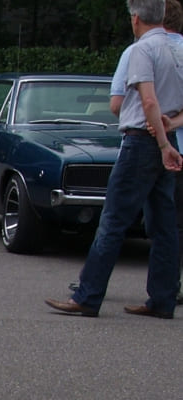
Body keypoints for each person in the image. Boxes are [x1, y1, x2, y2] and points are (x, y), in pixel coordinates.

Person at [47, 0, 183, 319]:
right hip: (169, 137)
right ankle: (162, 298)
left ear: (135, 19)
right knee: (164, 225)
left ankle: (89, 294)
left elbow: (146, 100)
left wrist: (162, 143)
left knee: (113, 221)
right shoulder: (178, 50)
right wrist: (171, 129)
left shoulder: (141, 50)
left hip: (141, 141)